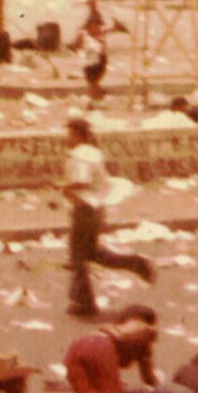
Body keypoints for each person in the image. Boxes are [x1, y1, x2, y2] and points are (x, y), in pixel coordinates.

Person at [60, 114, 154, 316]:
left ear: (76, 134)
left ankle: (85, 303)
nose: (67, 137)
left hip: (84, 209)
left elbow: (82, 181)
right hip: (96, 208)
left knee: (77, 257)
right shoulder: (93, 152)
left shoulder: (79, 155)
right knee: (92, 252)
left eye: (69, 133)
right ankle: (135, 263)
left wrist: (64, 188)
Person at [63, 305, 161, 393]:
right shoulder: (143, 335)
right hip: (102, 348)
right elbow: (148, 378)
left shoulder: (113, 327)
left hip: (77, 347)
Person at [73, 0, 110, 99]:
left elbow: (92, 4)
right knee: (95, 35)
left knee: (92, 33)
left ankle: (96, 92)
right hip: (94, 16)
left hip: (94, 15)